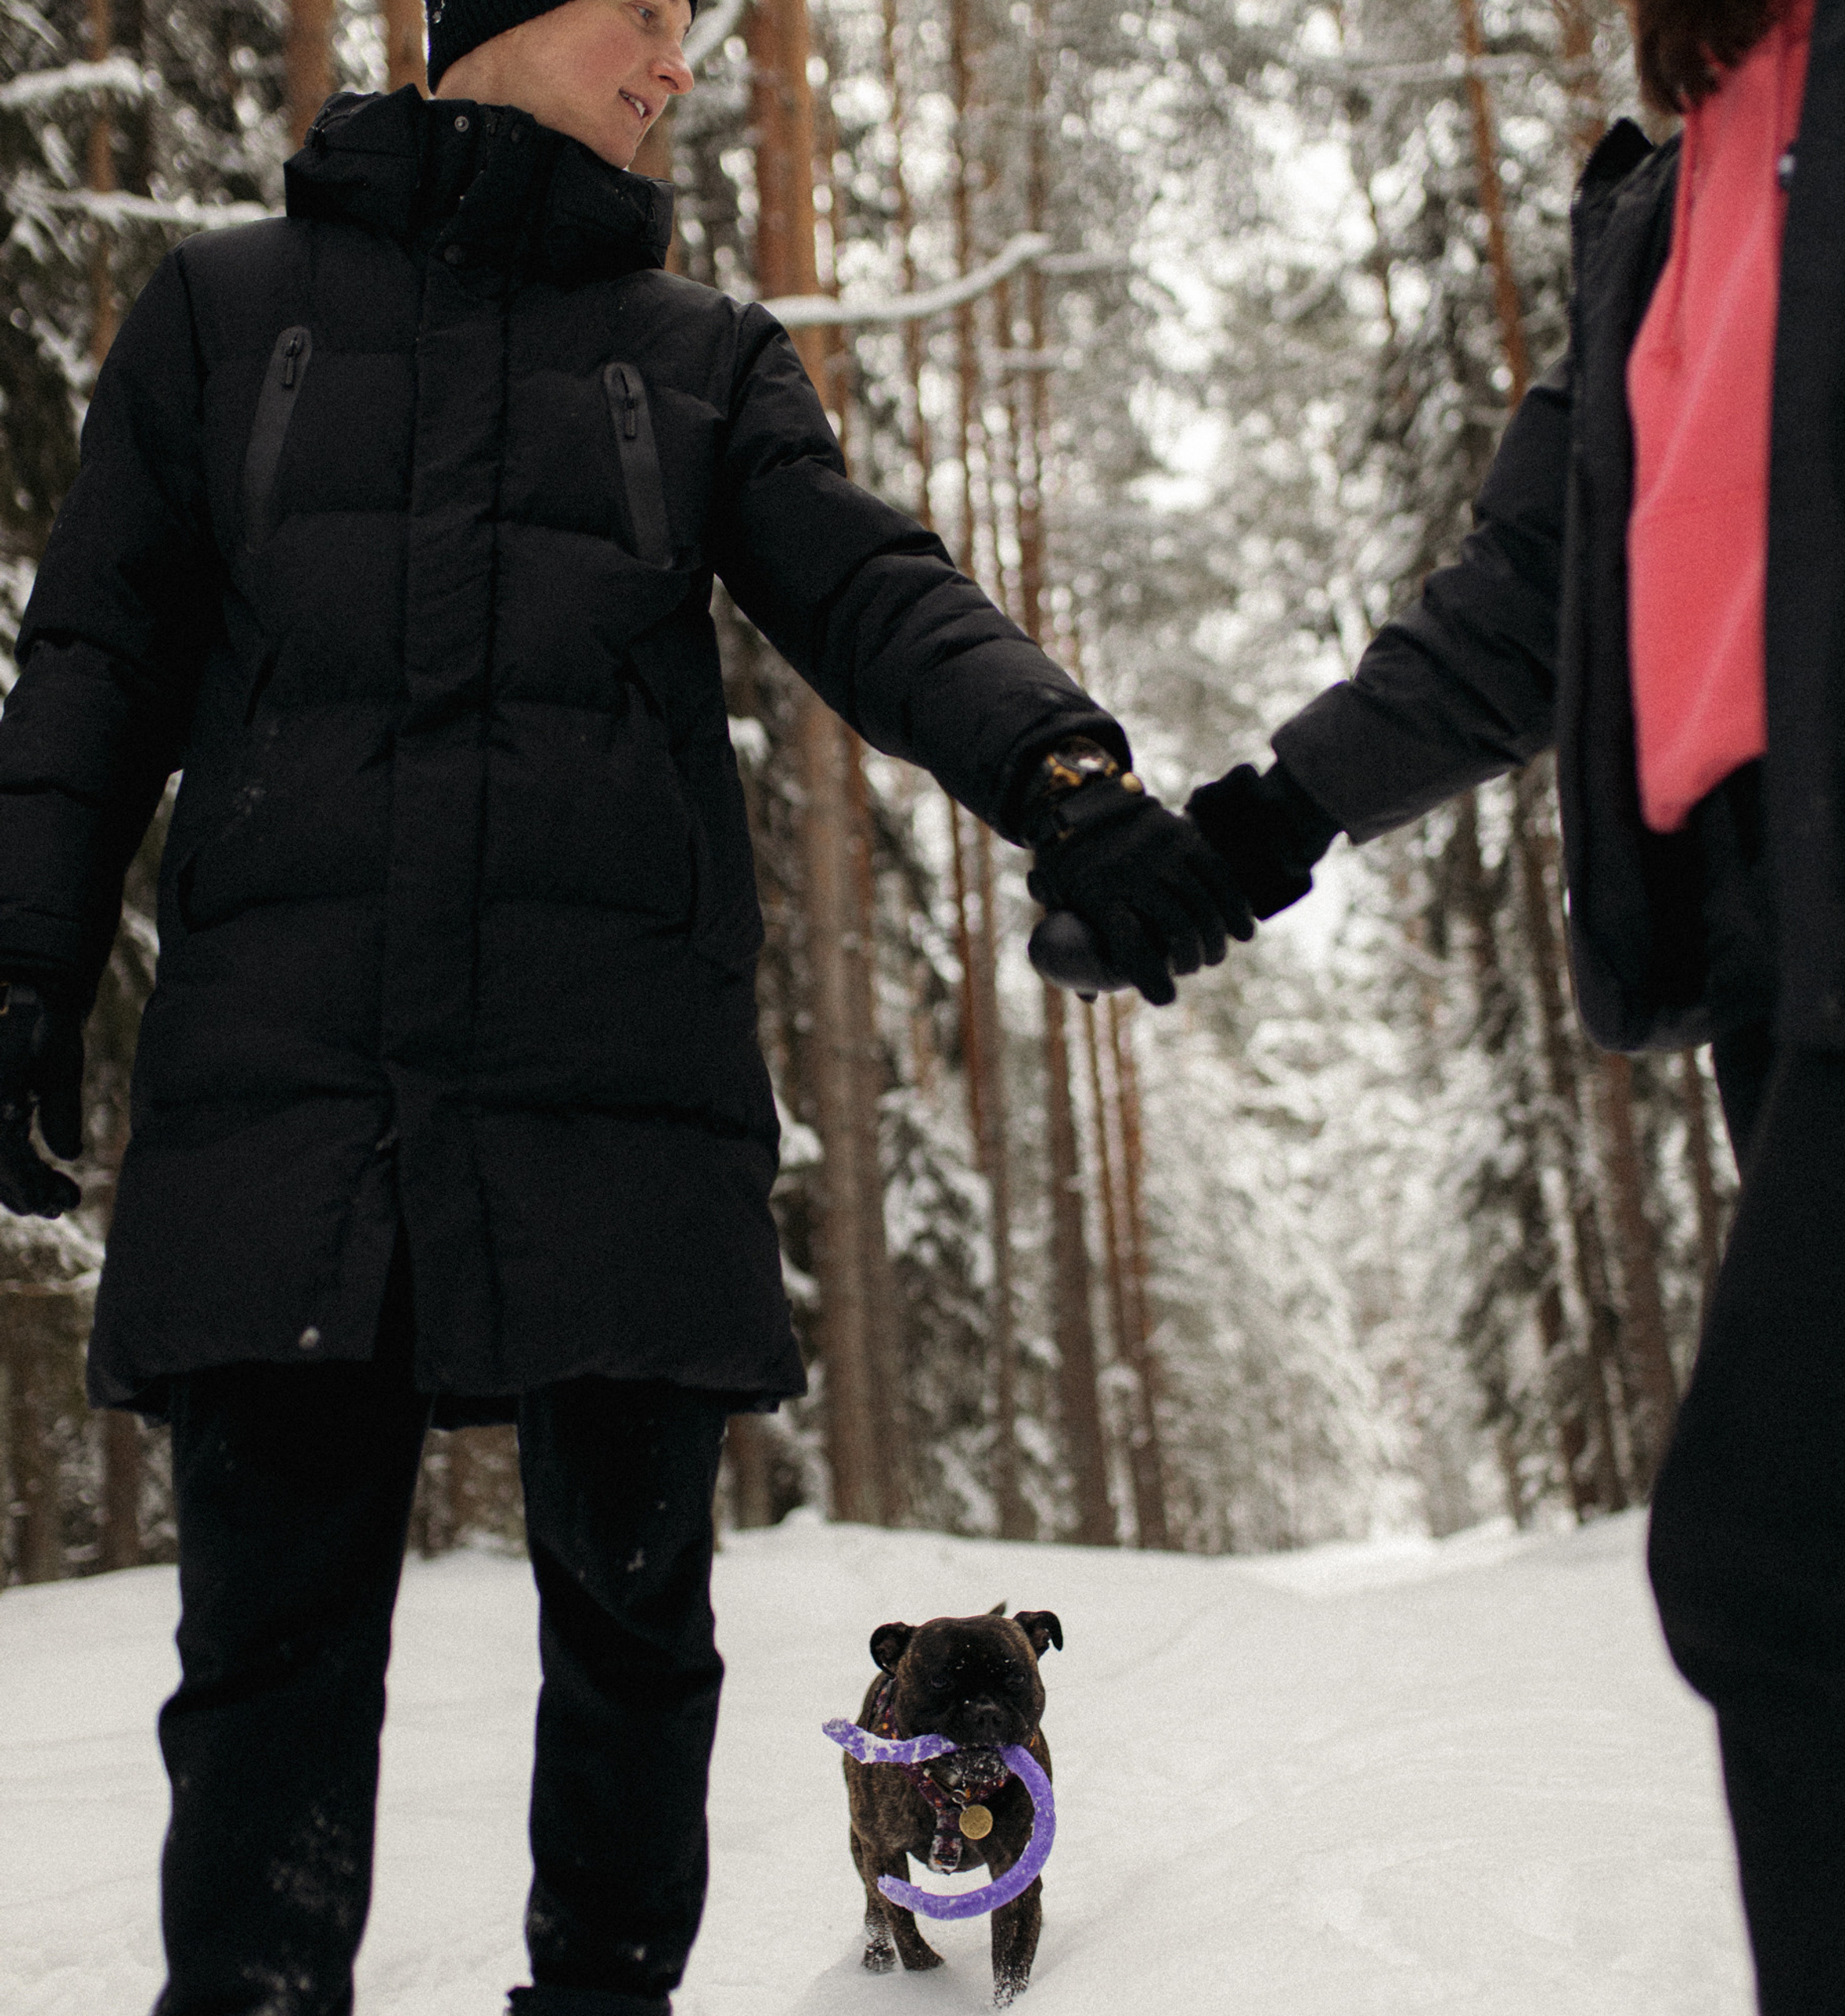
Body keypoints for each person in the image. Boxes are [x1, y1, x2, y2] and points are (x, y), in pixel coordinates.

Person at [0, 3, 1250, 2010]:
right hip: (292, 1085)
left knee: (634, 1635)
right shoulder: (229, 318)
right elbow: (89, 669)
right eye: (643, 15)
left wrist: (1060, 773)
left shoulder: (697, 358)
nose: (678, 63)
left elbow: (871, 590)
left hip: (614, 1085)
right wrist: (20, 964)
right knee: (265, 1662)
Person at [1184, 0, 1845, 2008]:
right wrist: (1267, 817)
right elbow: (1526, 590)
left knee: (1775, 1551)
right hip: (1787, 950)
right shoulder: (1659, 201)